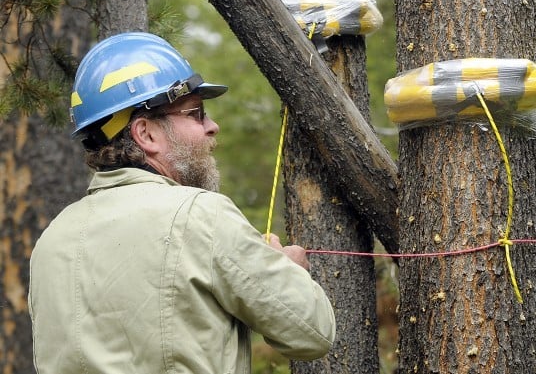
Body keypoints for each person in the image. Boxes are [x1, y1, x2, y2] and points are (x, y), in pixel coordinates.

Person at [28, 32, 336, 374]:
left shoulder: (51, 241)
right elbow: (312, 333)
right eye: (196, 113)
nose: (212, 126)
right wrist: (290, 272)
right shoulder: (200, 215)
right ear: (146, 133)